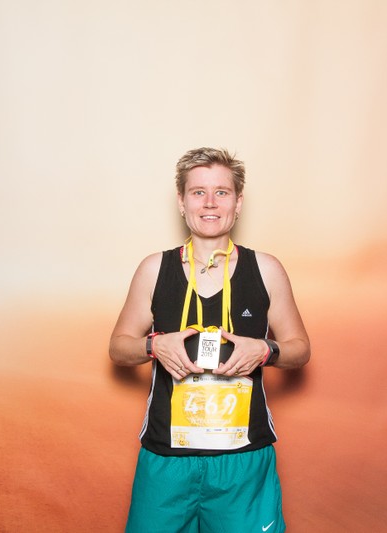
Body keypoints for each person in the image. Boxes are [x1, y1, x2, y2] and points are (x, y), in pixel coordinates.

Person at [109, 147, 311, 532]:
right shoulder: (154, 268)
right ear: (181, 202)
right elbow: (118, 346)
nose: (210, 202)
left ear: (238, 202)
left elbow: (300, 349)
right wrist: (153, 345)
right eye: (198, 192)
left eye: (222, 192)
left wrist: (266, 350)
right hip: (167, 456)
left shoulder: (266, 269)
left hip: (243, 458)